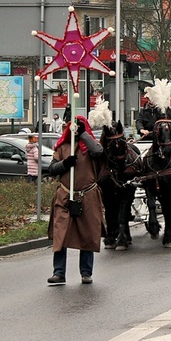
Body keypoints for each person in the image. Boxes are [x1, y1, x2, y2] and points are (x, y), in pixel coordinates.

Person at [46, 116, 105, 285]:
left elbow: (99, 152)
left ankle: (86, 272)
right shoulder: (63, 147)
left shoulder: (90, 149)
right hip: (65, 195)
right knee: (60, 234)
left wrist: (84, 135)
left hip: (88, 196)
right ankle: (59, 273)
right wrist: (65, 164)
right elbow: (52, 169)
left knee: (88, 234)